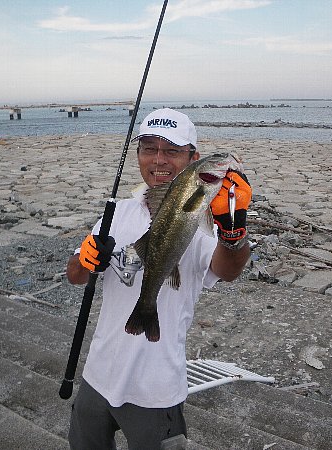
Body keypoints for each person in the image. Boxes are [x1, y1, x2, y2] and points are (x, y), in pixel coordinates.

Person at [66, 108, 252, 449]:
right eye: (149, 148)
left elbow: (228, 270)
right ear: (138, 154)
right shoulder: (119, 212)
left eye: (172, 150)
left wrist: (234, 233)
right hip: (96, 375)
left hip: (155, 390)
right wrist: (85, 258)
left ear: (193, 158)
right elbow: (75, 275)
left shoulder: (203, 218)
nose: (159, 160)